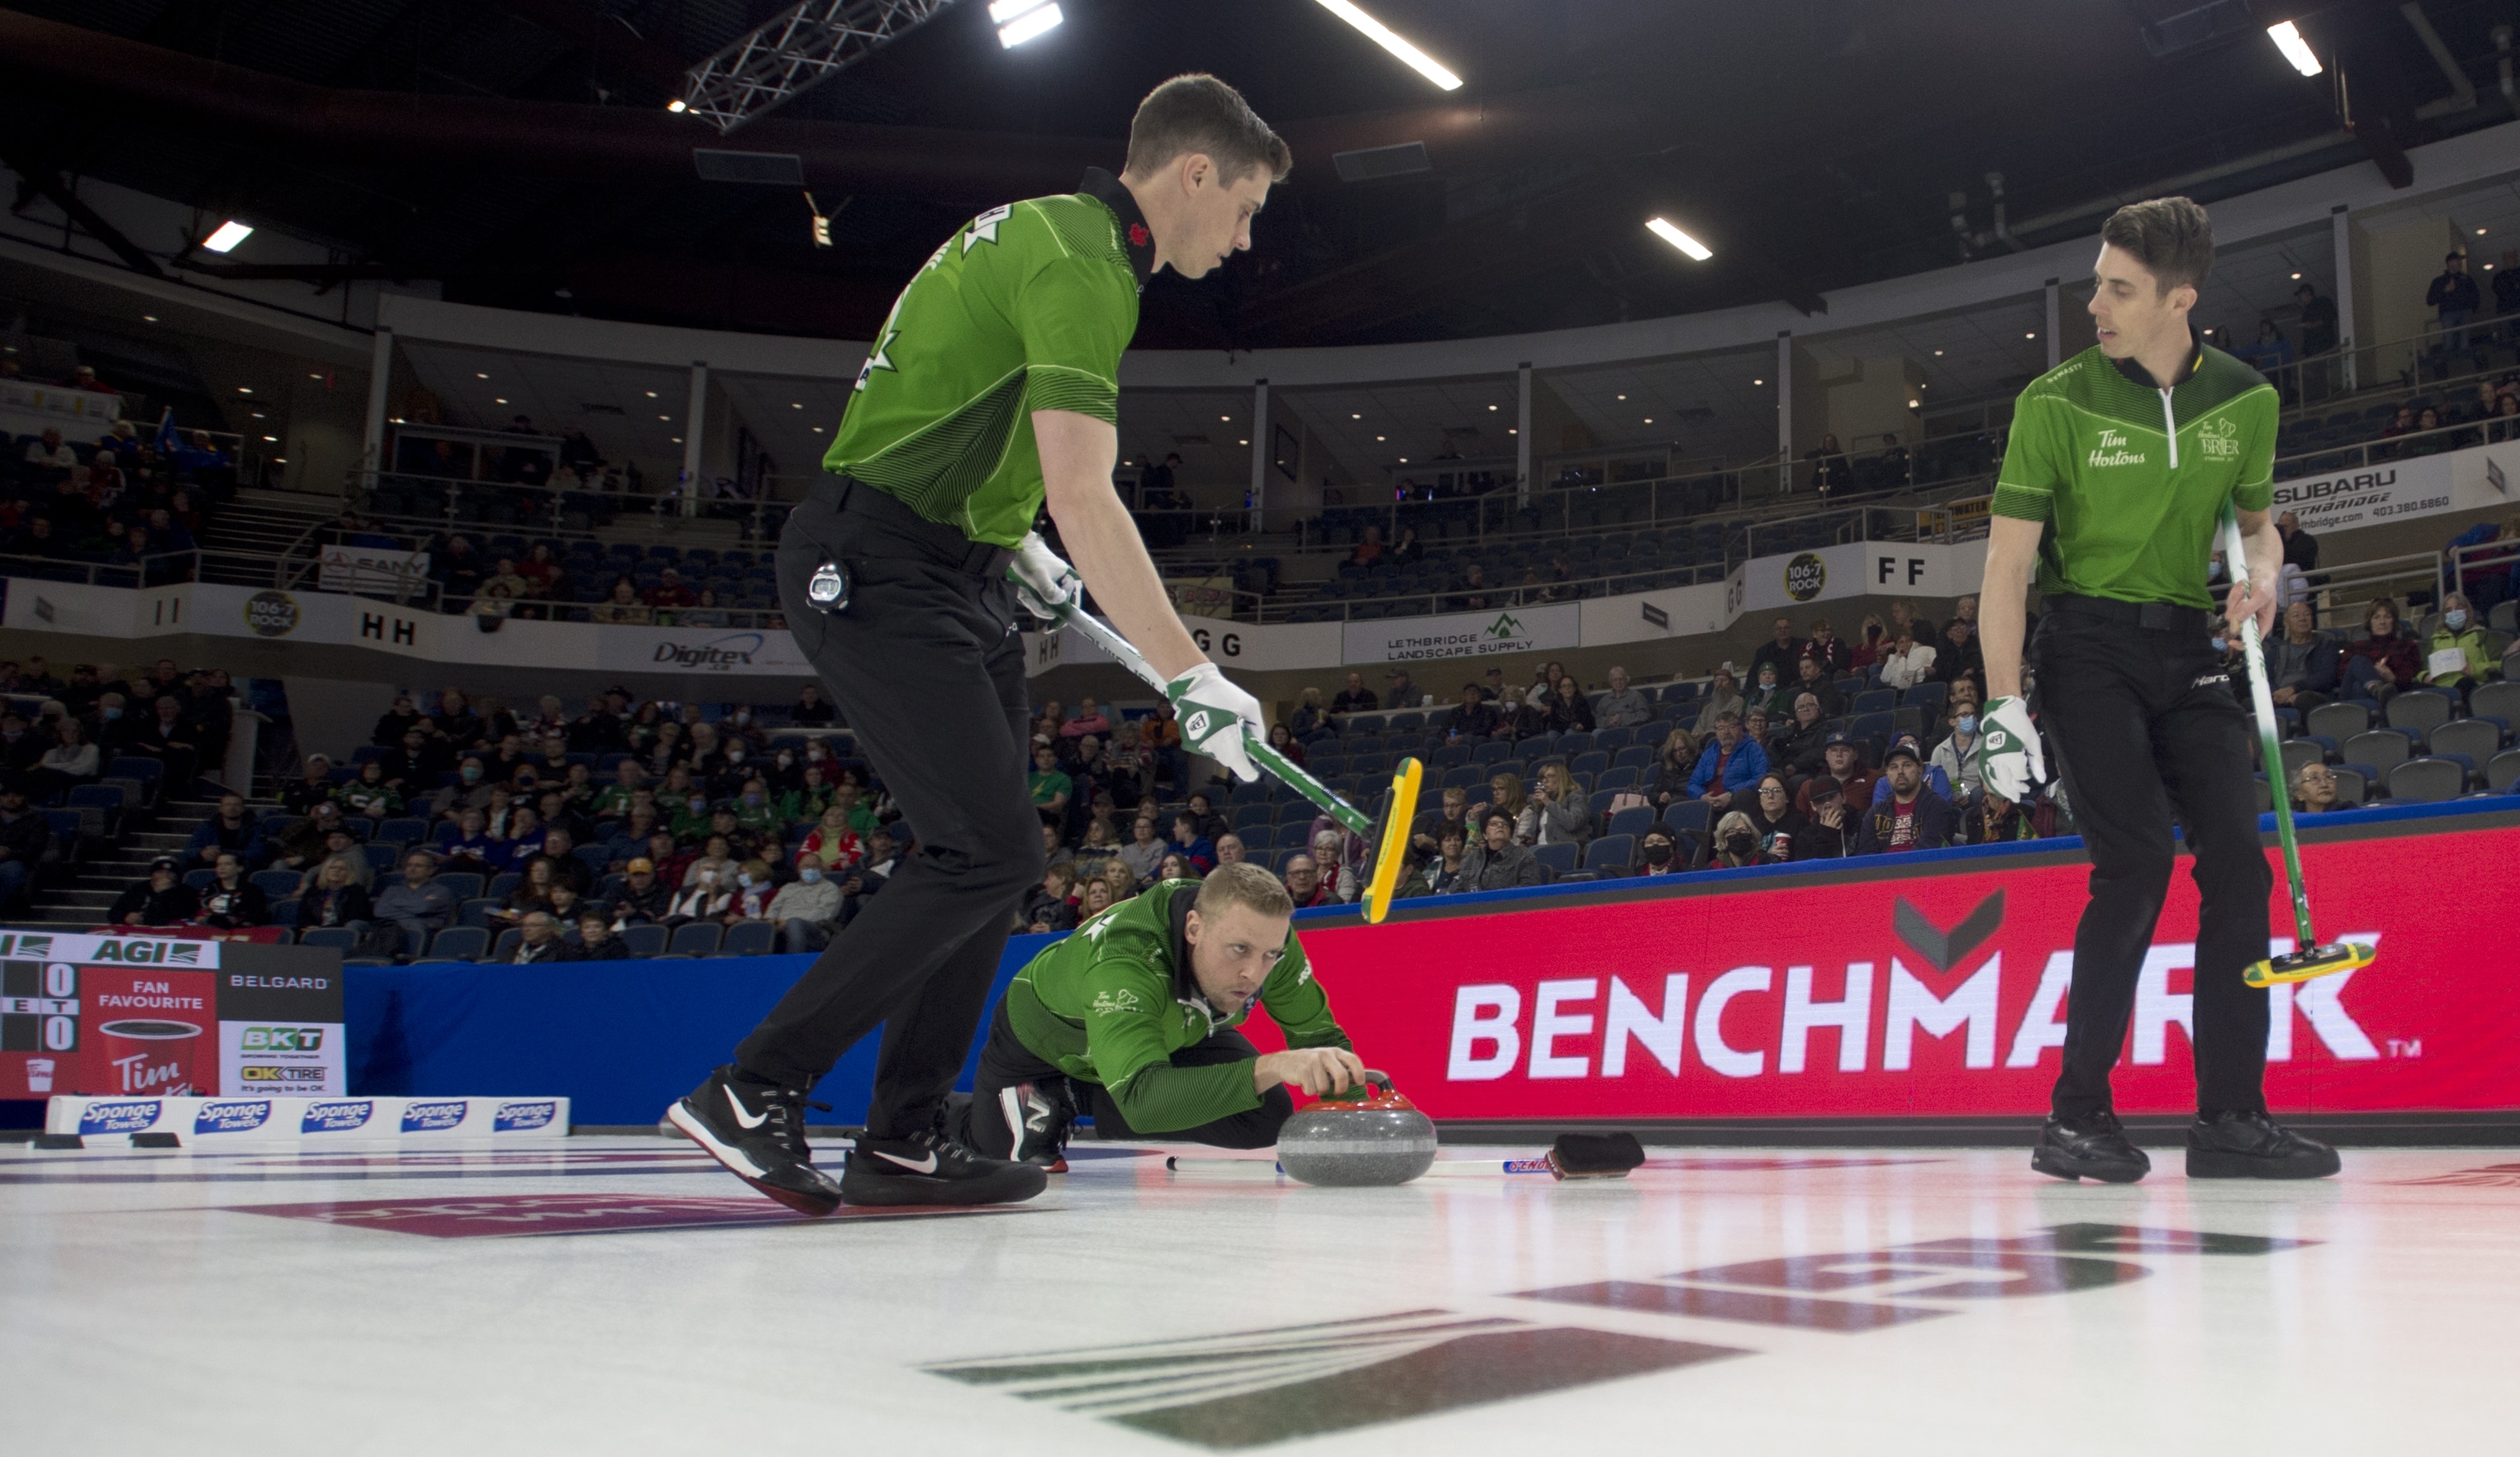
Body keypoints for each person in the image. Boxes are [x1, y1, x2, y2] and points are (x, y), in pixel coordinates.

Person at [668, 75, 1294, 1214]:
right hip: (876, 560)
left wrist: (1007, 539)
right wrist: (1190, 671)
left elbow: (974, 419)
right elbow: (1086, 492)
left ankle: (904, 1137)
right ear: (1194, 173)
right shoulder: (1082, 261)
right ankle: (750, 1088)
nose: (1246, 238)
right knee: (984, 847)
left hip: (958, 565)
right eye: (1246, 207)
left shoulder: (1059, 239)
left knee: (992, 858)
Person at [1978, 195, 2336, 1183]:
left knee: (2237, 863)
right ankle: (2075, 1114)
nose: (2093, 302)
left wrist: (2260, 579)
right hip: (2083, 645)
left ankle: (2228, 1117)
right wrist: (2003, 704)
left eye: (2117, 288)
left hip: (2188, 648)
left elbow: (2256, 524)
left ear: (2180, 298)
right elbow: (2007, 567)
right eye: (2098, 280)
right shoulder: (2053, 401)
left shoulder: (2244, 399)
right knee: (2132, 861)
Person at [959, 863, 1363, 1169]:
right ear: (1193, 928)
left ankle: (1069, 1096)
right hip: (1043, 1042)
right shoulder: (1127, 962)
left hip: (1172, 1031)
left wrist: (1360, 1117)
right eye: (1238, 950)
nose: (1254, 974)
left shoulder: (1269, 943)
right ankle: (956, 1109)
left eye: (1270, 955)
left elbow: (1316, 1035)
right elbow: (1145, 1104)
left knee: (1264, 1113)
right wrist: (1275, 1064)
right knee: (987, 1153)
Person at [1855, 744, 1955, 855]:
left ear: (1920, 771)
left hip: (1923, 869)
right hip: (1882, 870)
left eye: (1907, 765)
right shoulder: (1875, 813)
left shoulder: (1936, 806)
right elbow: (1866, 854)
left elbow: (1930, 850)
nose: (1900, 771)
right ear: (1887, 774)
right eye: (1894, 767)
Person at [373, 850, 459, 953]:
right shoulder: (392, 889)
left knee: (417, 925)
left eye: (418, 866)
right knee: (356, 925)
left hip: (425, 931)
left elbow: (423, 908)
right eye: (409, 865)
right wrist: (416, 907)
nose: (412, 869)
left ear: (431, 870)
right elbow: (380, 911)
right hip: (390, 930)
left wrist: (394, 903)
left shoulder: (441, 891)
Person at [1686, 711, 1768, 814]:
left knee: (1743, 795)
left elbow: (1761, 778)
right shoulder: (1709, 753)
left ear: (1740, 729)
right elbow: (1693, 783)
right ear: (1716, 732)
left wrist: (1731, 794)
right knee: (1677, 802)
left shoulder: (1753, 749)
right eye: (1721, 728)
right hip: (1708, 804)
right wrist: (1702, 796)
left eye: (1731, 726)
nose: (1726, 732)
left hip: (1735, 802)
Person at [2341, 598, 2421, 702]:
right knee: (2357, 661)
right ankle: (2377, 689)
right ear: (2370, 622)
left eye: (2387, 617)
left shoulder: (2407, 646)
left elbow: (2411, 675)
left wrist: (2393, 679)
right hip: (2351, 696)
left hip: (2396, 694)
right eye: (2376, 617)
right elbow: (2344, 676)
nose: (2382, 622)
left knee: (2359, 687)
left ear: (2394, 620)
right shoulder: (2355, 647)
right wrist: (2370, 672)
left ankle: (2377, 692)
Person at [2422, 591, 2496, 695]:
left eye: (2458, 608)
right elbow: (2424, 669)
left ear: (2467, 610)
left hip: (2471, 684)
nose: (2454, 613)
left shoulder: (2481, 634)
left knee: (2465, 683)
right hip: (2441, 688)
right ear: (2444, 615)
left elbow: (2498, 664)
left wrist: (2473, 670)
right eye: (2448, 610)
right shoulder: (2436, 639)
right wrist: (2425, 676)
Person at [1451, 811, 1541, 891]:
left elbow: (1530, 889)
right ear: (1485, 835)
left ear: (1510, 834)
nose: (1500, 826)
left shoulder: (1523, 857)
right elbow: (1457, 887)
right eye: (1493, 824)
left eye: (1505, 824)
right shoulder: (1473, 857)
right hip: (1471, 907)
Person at [112, 855, 201, 927]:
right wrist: (125, 918)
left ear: (176, 875)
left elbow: (186, 915)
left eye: (170, 873)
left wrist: (162, 894)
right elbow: (114, 912)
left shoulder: (188, 892)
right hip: (139, 932)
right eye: (160, 872)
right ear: (152, 875)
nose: (165, 876)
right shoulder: (138, 889)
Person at [1741, 774, 1807, 862]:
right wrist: (1768, 856)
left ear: (1787, 798)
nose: (1770, 796)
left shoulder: (1800, 822)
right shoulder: (1752, 826)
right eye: (1764, 791)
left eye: (1776, 791)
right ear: (1759, 800)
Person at [2427, 248, 2480, 355]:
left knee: (2464, 340)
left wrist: (2471, 309)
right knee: (2448, 340)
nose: (2460, 263)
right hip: (2448, 313)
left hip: (2465, 311)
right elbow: (2430, 300)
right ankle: (2450, 361)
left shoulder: (2466, 279)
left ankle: (2463, 359)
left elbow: (2475, 295)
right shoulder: (2439, 281)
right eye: (2458, 260)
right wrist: (2445, 291)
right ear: (2450, 263)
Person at [194, 852, 269, 929]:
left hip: (239, 930)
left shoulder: (252, 890)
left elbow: (255, 917)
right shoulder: (209, 888)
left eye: (228, 864)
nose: (222, 868)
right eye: (219, 864)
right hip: (208, 929)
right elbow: (199, 910)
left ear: (239, 868)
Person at [503, 910, 582, 964]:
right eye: (524, 925)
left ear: (548, 928)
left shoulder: (564, 951)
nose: (526, 929)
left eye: (533, 925)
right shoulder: (513, 949)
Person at [1877, 627, 1937, 691]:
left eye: (1908, 641)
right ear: (1896, 645)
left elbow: (1903, 682)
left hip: (1918, 689)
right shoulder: (1895, 657)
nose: (1905, 645)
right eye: (1901, 642)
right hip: (1900, 691)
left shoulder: (1921, 651)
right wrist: (1898, 658)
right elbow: (1885, 679)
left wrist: (1902, 659)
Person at [1692, 669, 1744, 736]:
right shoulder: (1708, 707)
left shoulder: (1737, 701)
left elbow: (1731, 726)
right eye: (1717, 680)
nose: (1720, 683)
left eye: (1724, 680)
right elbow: (1697, 729)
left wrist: (1706, 734)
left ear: (1731, 683)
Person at [1595, 666, 1651, 730]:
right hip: (1609, 731)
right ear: (1611, 682)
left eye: (1621, 679)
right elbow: (1598, 720)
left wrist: (1622, 718)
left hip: (1630, 730)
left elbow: (1644, 715)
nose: (1618, 682)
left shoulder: (1636, 696)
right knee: (1596, 732)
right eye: (1615, 680)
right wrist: (1609, 721)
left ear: (1626, 680)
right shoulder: (1604, 701)